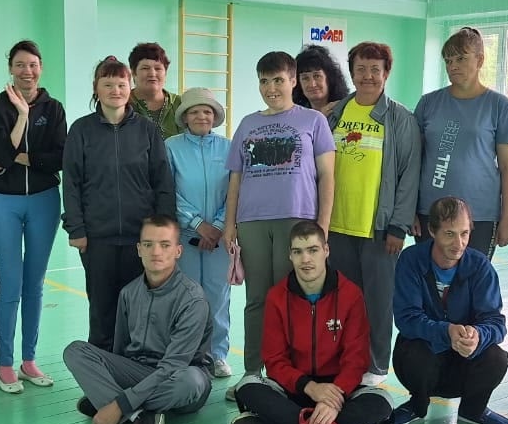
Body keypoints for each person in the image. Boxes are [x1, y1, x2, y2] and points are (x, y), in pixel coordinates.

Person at [223, 51, 336, 400]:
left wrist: (322, 226)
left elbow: (327, 176)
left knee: (291, 298)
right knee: (258, 299)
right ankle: (251, 374)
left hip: (297, 221)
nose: (271, 88)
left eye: (278, 80)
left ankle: (289, 375)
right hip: (252, 221)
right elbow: (236, 179)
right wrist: (229, 224)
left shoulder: (313, 121)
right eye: (264, 81)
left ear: (292, 81)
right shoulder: (247, 124)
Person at [230, 221, 393, 424]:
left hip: (338, 390)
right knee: (247, 386)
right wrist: (310, 388)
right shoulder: (277, 297)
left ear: (326, 250)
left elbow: (356, 359)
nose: (305, 259)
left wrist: (333, 399)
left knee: (383, 401)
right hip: (295, 388)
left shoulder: (351, 294)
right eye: (298, 252)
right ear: (290, 255)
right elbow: (274, 360)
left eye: (313, 250)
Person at [62, 215, 213, 424]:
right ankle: (138, 417)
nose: (156, 252)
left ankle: (112, 404)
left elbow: (173, 366)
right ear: (139, 249)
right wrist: (123, 395)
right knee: (75, 351)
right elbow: (120, 351)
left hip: (177, 377)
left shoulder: (192, 299)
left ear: (178, 251)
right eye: (148, 244)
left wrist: (119, 403)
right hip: (138, 372)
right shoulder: (128, 293)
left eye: (165, 245)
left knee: (191, 382)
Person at [64, 56, 176, 351]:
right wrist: (76, 228)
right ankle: (100, 371)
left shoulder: (147, 131)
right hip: (97, 239)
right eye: (108, 84)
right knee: (102, 311)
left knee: (140, 310)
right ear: (96, 88)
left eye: (121, 84)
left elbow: (162, 182)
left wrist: (164, 231)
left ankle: (135, 371)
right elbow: (71, 183)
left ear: (130, 88)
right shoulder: (81, 130)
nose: (115, 90)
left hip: (140, 239)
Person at [326, 41, 421, 388]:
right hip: (337, 225)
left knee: (378, 302)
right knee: (343, 300)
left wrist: (398, 225)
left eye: (375, 70)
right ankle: (347, 359)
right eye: (361, 69)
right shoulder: (334, 114)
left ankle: (377, 364)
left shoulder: (401, 119)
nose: (368, 76)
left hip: (378, 229)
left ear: (386, 73)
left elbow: (409, 175)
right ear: (351, 73)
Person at [0, 40, 67, 394]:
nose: (26, 71)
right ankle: (5, 364)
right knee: (10, 284)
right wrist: (21, 115)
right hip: (3, 201)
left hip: (44, 201)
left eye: (32, 64)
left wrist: (23, 157)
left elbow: (59, 158)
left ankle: (28, 360)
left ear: (40, 67)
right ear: (10, 68)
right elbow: (0, 155)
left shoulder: (54, 108)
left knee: (35, 284)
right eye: (19, 65)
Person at [390, 196, 508, 424]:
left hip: (463, 362)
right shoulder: (411, 260)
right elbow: (406, 319)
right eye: (449, 234)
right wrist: (446, 331)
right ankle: (417, 405)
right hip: (425, 360)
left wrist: (477, 335)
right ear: (432, 231)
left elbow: (496, 323)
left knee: (496, 358)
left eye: (464, 233)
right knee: (414, 353)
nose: (459, 243)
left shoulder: (480, 266)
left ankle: (473, 411)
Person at [414, 26, 508, 258]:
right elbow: (413, 161)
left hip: (479, 213)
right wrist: (409, 209)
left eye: (461, 58)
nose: (453, 66)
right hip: (430, 210)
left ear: (480, 60)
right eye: (448, 60)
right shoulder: (428, 103)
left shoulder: (498, 105)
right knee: (430, 277)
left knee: (472, 277)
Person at [166, 88, 235, 379]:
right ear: (184, 117)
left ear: (215, 116)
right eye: (194, 111)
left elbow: (234, 190)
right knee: (187, 297)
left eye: (207, 111)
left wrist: (217, 226)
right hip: (185, 236)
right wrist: (196, 223)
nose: (201, 116)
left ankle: (217, 355)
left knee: (218, 298)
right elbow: (168, 190)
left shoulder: (229, 147)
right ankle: (190, 355)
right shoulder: (171, 147)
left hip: (220, 238)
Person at [129, 42, 183, 138]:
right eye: (145, 68)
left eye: (158, 68)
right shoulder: (122, 104)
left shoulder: (181, 104)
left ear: (165, 73)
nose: (152, 74)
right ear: (133, 73)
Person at [292, 44, 349, 115]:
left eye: (317, 76)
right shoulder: (295, 114)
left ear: (330, 78)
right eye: (305, 78)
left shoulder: (345, 109)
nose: (312, 84)